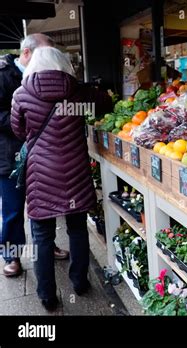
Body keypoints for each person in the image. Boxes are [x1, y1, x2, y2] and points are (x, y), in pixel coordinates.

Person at [10, 46, 112, 311]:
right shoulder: (78, 92)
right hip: (76, 170)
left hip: (40, 174)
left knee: (42, 236)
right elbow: (105, 102)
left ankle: (47, 296)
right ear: (63, 65)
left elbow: (19, 131)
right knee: (77, 228)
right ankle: (79, 282)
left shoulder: (21, 94)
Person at [0, 34, 69, 278]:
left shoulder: (45, 73)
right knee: (12, 210)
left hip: (42, 155)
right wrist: (28, 121)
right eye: (44, 54)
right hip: (11, 157)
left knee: (44, 206)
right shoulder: (3, 74)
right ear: (27, 53)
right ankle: (12, 256)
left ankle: (47, 247)